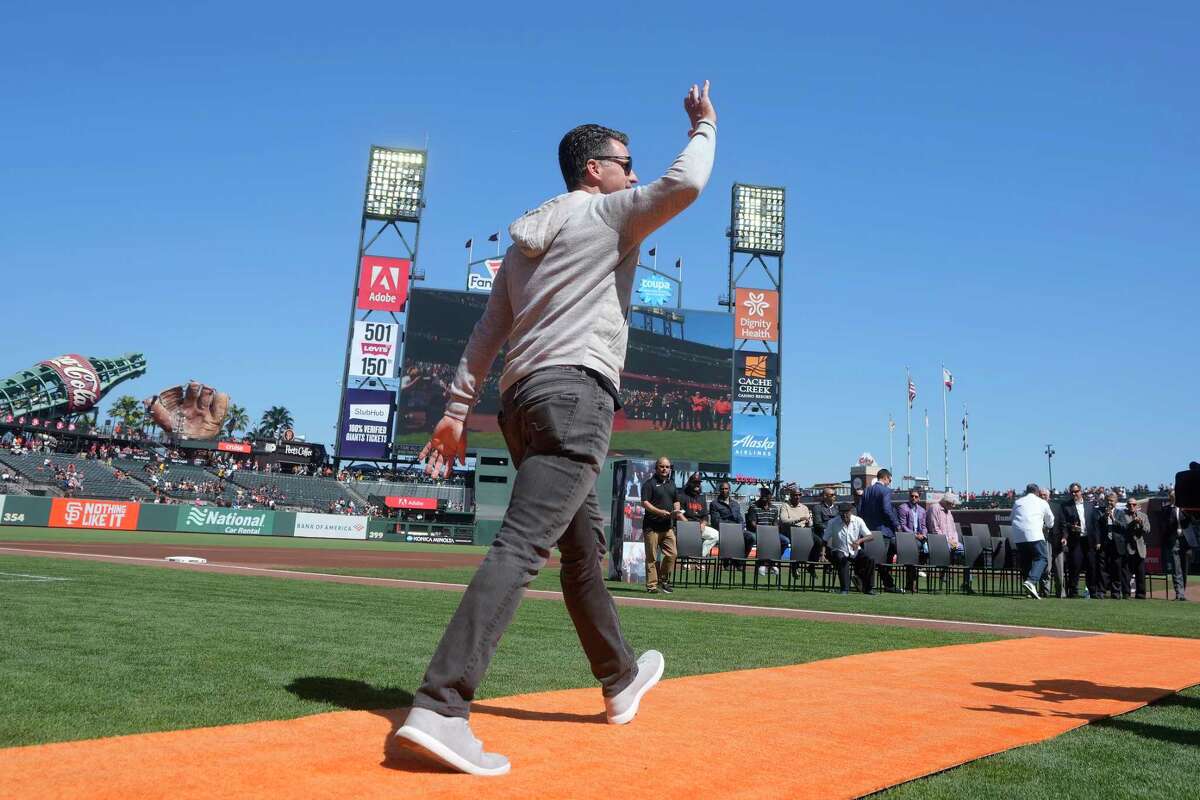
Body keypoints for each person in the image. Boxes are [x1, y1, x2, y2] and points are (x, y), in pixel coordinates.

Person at [395, 81, 717, 776]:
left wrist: (456, 411)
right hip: (575, 395)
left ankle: (620, 679)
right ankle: (441, 705)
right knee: (521, 548)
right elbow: (687, 182)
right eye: (625, 161)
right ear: (593, 170)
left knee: (581, 549)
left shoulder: (524, 244)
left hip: (522, 402)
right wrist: (704, 127)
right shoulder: (606, 213)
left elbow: (486, 335)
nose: (634, 172)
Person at [857, 469, 903, 592]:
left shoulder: (866, 491)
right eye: (890, 480)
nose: (890, 483)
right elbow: (887, 509)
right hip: (884, 531)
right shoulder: (886, 491)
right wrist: (896, 524)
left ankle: (863, 579)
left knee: (870, 557)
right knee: (884, 559)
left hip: (868, 531)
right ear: (886, 477)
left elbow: (860, 510)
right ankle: (888, 584)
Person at [641, 457, 680, 594]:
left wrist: (676, 510)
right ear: (656, 468)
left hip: (667, 527)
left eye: (667, 467)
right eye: (662, 467)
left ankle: (663, 581)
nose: (664, 469)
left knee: (672, 554)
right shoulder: (649, 484)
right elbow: (645, 503)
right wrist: (659, 512)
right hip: (651, 527)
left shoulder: (672, 484)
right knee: (651, 557)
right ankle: (652, 586)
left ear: (670, 469)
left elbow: (676, 501)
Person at [1009, 483, 1055, 599]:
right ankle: (1031, 581)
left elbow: (1011, 518)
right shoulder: (1042, 502)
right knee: (1042, 558)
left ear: (1026, 491)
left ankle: (1029, 591)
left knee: (1026, 561)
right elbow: (1050, 521)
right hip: (1034, 534)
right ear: (1037, 492)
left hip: (1019, 536)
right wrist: (1046, 526)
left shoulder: (1018, 502)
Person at [824, 502, 877, 594]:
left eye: (846, 512)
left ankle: (868, 588)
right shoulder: (832, 522)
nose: (844, 515)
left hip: (855, 551)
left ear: (851, 512)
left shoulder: (858, 520)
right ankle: (844, 589)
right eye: (842, 512)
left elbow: (870, 536)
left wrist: (859, 541)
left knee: (870, 559)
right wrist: (822, 554)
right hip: (839, 550)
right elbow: (824, 540)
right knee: (842, 559)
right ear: (839, 512)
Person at [927, 492, 973, 593]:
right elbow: (935, 529)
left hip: (951, 542)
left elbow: (954, 530)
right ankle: (944, 573)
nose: (954, 506)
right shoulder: (934, 508)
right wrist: (948, 541)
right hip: (937, 541)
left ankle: (966, 583)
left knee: (968, 553)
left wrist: (955, 541)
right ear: (946, 502)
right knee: (948, 549)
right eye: (952, 503)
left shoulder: (949, 512)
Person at [1058, 482, 1095, 599]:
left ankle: (1091, 591)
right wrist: (1066, 535)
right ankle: (1073, 592)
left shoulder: (1090, 505)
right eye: (1072, 492)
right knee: (1075, 566)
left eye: (1076, 491)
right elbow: (1063, 524)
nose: (1074, 494)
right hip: (1075, 540)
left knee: (1091, 566)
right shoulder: (1066, 506)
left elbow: (1094, 524)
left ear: (1081, 491)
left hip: (1089, 540)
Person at [746, 486, 785, 574]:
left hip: (770, 533)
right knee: (759, 538)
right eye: (763, 493)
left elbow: (775, 523)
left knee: (785, 540)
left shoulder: (774, 508)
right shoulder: (753, 506)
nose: (764, 495)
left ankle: (772, 562)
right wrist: (764, 531)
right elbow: (753, 524)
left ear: (771, 496)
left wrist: (774, 530)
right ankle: (762, 564)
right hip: (757, 532)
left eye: (767, 494)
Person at [678, 472, 719, 557]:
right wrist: (688, 524)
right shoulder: (682, 496)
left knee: (715, 535)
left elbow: (705, 516)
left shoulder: (701, 498)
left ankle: (699, 557)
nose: (697, 484)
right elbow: (679, 514)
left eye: (699, 483)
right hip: (685, 527)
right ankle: (687, 558)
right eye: (695, 482)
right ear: (690, 483)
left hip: (698, 527)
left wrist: (703, 524)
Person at [1161, 489, 1192, 601]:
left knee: (1184, 568)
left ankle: (1182, 592)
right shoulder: (1166, 510)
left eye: (1175, 495)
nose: (1173, 497)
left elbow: (1191, 521)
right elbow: (1164, 526)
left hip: (1186, 540)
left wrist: (1186, 512)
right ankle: (1179, 594)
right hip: (1173, 541)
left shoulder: (1186, 508)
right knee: (1176, 568)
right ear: (1170, 497)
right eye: (1171, 496)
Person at [1116, 497, 1149, 599]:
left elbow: (1147, 530)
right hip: (1128, 547)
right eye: (1129, 504)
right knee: (1126, 573)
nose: (1132, 506)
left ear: (1137, 506)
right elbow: (1125, 528)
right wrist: (1134, 522)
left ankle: (1141, 594)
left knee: (1141, 572)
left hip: (1140, 548)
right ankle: (1126, 594)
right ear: (1126, 506)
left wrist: (1141, 523)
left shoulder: (1143, 516)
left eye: (1134, 504)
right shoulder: (1123, 515)